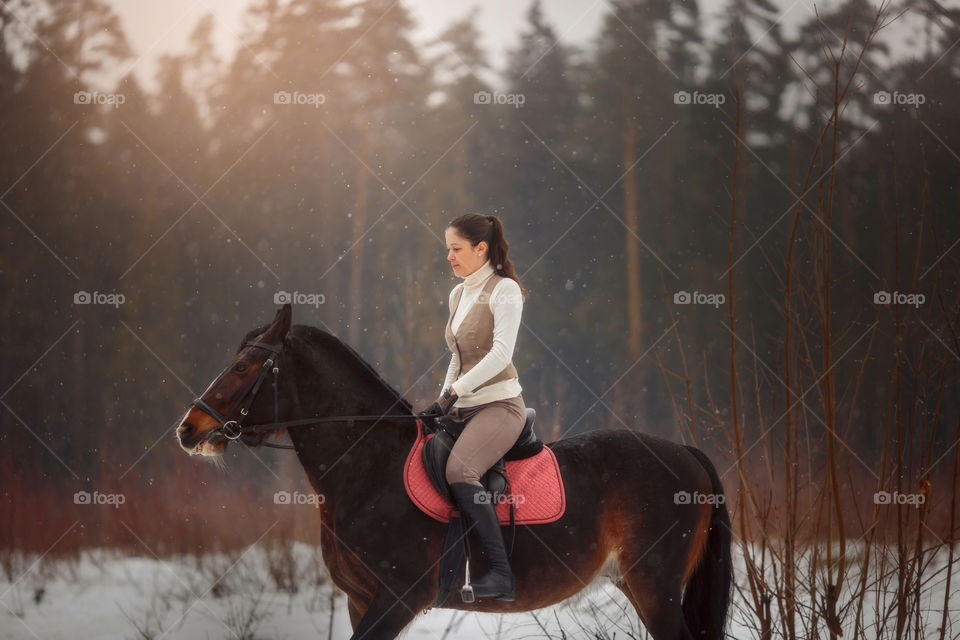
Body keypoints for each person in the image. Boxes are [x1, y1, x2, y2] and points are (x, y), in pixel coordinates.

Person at [420, 212, 528, 602]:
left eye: (455, 249)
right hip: (461, 407)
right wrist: (443, 397)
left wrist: (456, 392)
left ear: (481, 249)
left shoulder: (505, 291)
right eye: (447, 249)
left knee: (460, 470)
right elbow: (458, 355)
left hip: (500, 406)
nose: (448, 257)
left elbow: (501, 354)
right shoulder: (459, 293)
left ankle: (500, 574)